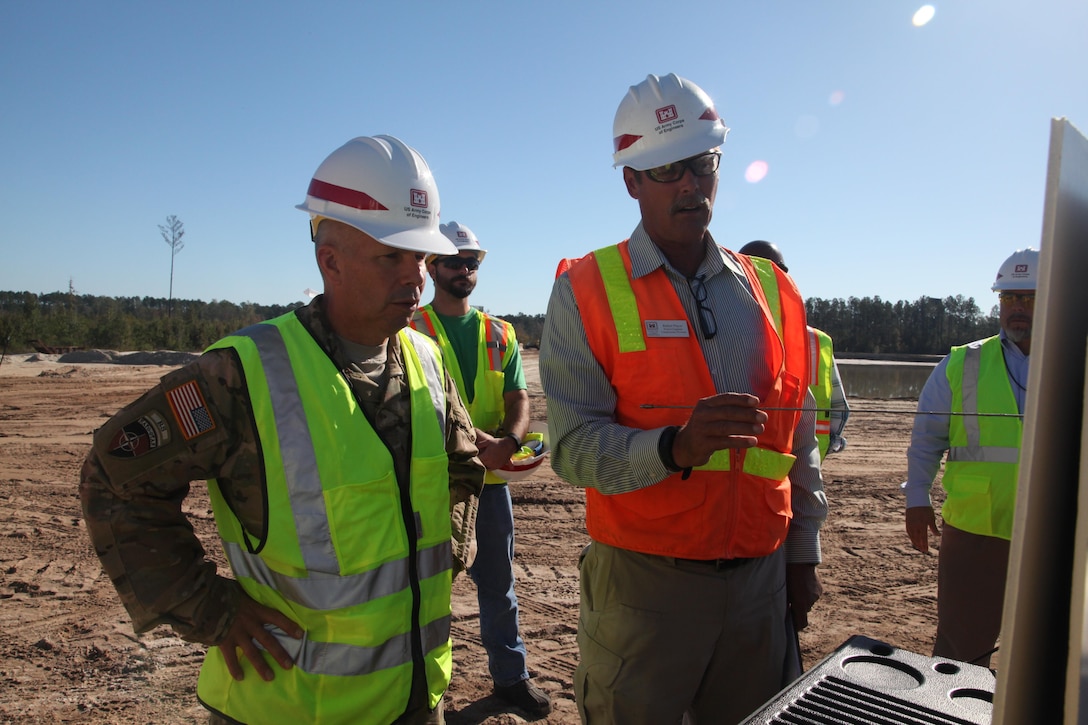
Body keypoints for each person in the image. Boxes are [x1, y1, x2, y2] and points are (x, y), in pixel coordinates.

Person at [79, 135, 486, 725]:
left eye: (420, 259)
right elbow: (113, 477)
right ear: (331, 260)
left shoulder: (427, 356)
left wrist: (447, 550)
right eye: (391, 258)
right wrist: (209, 608)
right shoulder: (245, 373)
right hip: (287, 707)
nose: (415, 280)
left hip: (414, 700)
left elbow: (461, 459)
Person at [539, 72, 828, 724]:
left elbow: (796, 438)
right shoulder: (584, 289)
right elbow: (572, 448)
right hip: (646, 589)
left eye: (703, 163)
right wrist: (675, 447)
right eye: (669, 169)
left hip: (760, 583)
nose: (692, 185)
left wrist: (802, 553)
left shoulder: (772, 292)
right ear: (631, 180)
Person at [409, 222, 552, 717]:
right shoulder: (410, 329)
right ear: (430, 266)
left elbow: (519, 398)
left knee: (498, 587)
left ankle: (511, 679)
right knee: (422, 591)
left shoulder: (501, 333)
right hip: (429, 484)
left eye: (472, 262)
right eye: (454, 261)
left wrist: (509, 442)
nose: (465, 269)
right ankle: (420, 689)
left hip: (490, 483)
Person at [902, 247, 1038, 668]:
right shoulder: (963, 362)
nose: (1017, 308)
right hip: (977, 528)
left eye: (1029, 297)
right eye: (1009, 298)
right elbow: (927, 437)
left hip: (1057, 530)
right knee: (962, 648)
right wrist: (917, 497)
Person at [738, 240, 850, 459]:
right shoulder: (815, 341)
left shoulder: (817, 342)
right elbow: (839, 413)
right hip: (754, 473)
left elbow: (837, 411)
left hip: (796, 469)